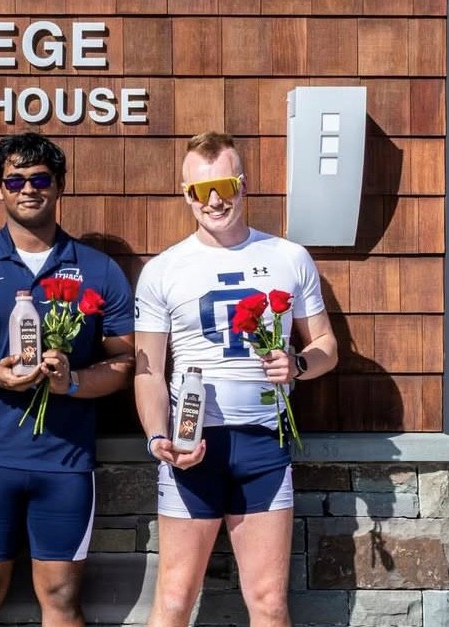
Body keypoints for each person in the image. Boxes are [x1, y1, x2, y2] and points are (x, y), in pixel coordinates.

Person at [0, 132, 135, 627]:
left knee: (61, 597)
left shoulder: (98, 270)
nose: (28, 188)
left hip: (64, 459)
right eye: (15, 179)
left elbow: (125, 366)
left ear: (59, 186)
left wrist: (73, 382)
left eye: (40, 178)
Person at [133, 131, 339, 627]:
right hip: (191, 444)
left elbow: (326, 347)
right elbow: (148, 372)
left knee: (268, 602)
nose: (215, 200)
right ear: (185, 194)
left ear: (244, 185)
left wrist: (298, 365)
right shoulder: (163, 269)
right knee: (176, 598)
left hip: (263, 445)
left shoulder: (290, 257)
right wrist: (157, 436)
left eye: (225, 185)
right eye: (200, 190)